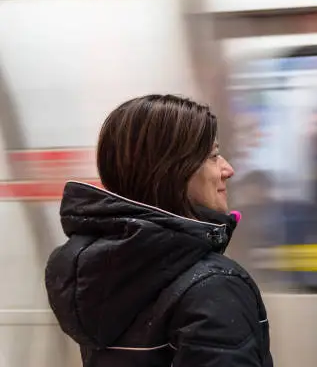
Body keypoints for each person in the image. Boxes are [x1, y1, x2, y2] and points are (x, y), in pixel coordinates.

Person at [44, 94, 273, 367]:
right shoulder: (212, 288)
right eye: (212, 156)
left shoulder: (103, 277)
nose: (228, 169)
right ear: (174, 171)